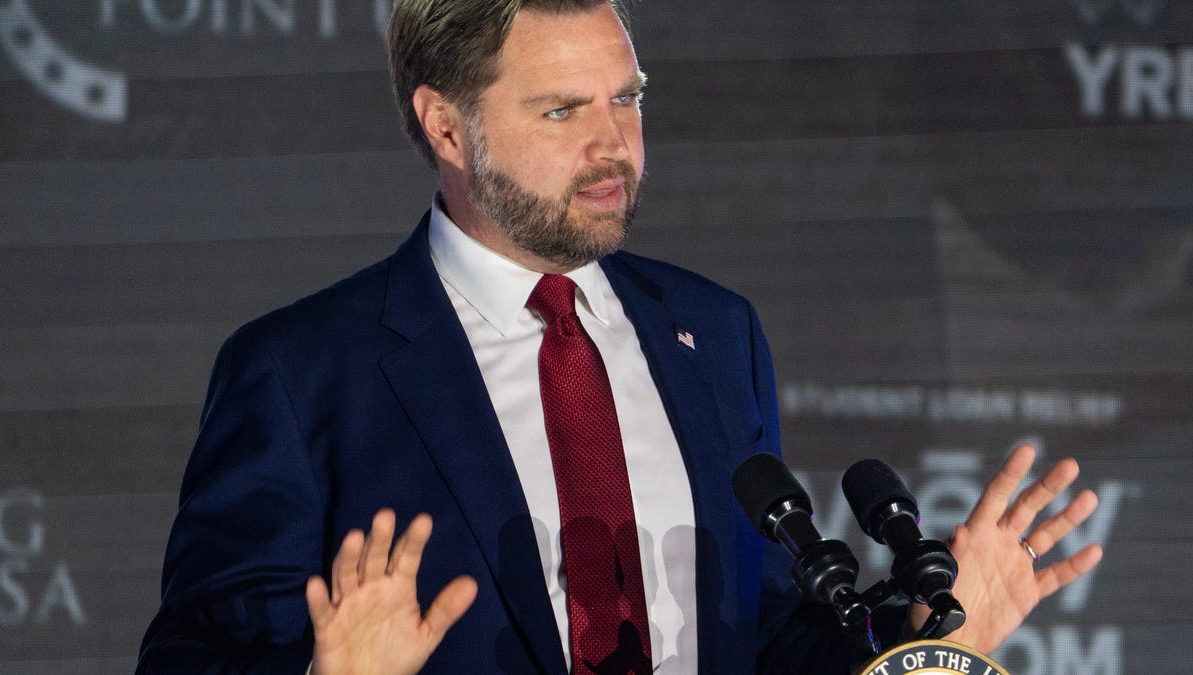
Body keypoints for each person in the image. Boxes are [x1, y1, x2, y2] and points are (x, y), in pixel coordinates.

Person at [137, 1, 1103, 673]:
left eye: (628, 98)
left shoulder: (716, 332)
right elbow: (189, 658)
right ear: (445, 125)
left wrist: (924, 640)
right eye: (563, 109)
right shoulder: (300, 372)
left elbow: (760, 639)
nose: (615, 145)